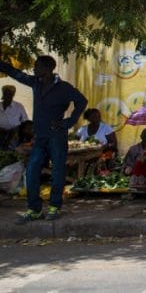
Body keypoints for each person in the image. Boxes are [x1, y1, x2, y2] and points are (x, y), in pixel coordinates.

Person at [0, 55, 88, 224]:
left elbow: (82, 101)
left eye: (37, 66)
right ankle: (34, 209)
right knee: (32, 170)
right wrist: (3, 66)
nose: (34, 69)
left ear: (47, 69)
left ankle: (54, 207)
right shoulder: (36, 83)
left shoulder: (64, 88)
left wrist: (68, 122)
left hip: (56, 136)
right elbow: (17, 74)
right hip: (40, 137)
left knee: (57, 172)